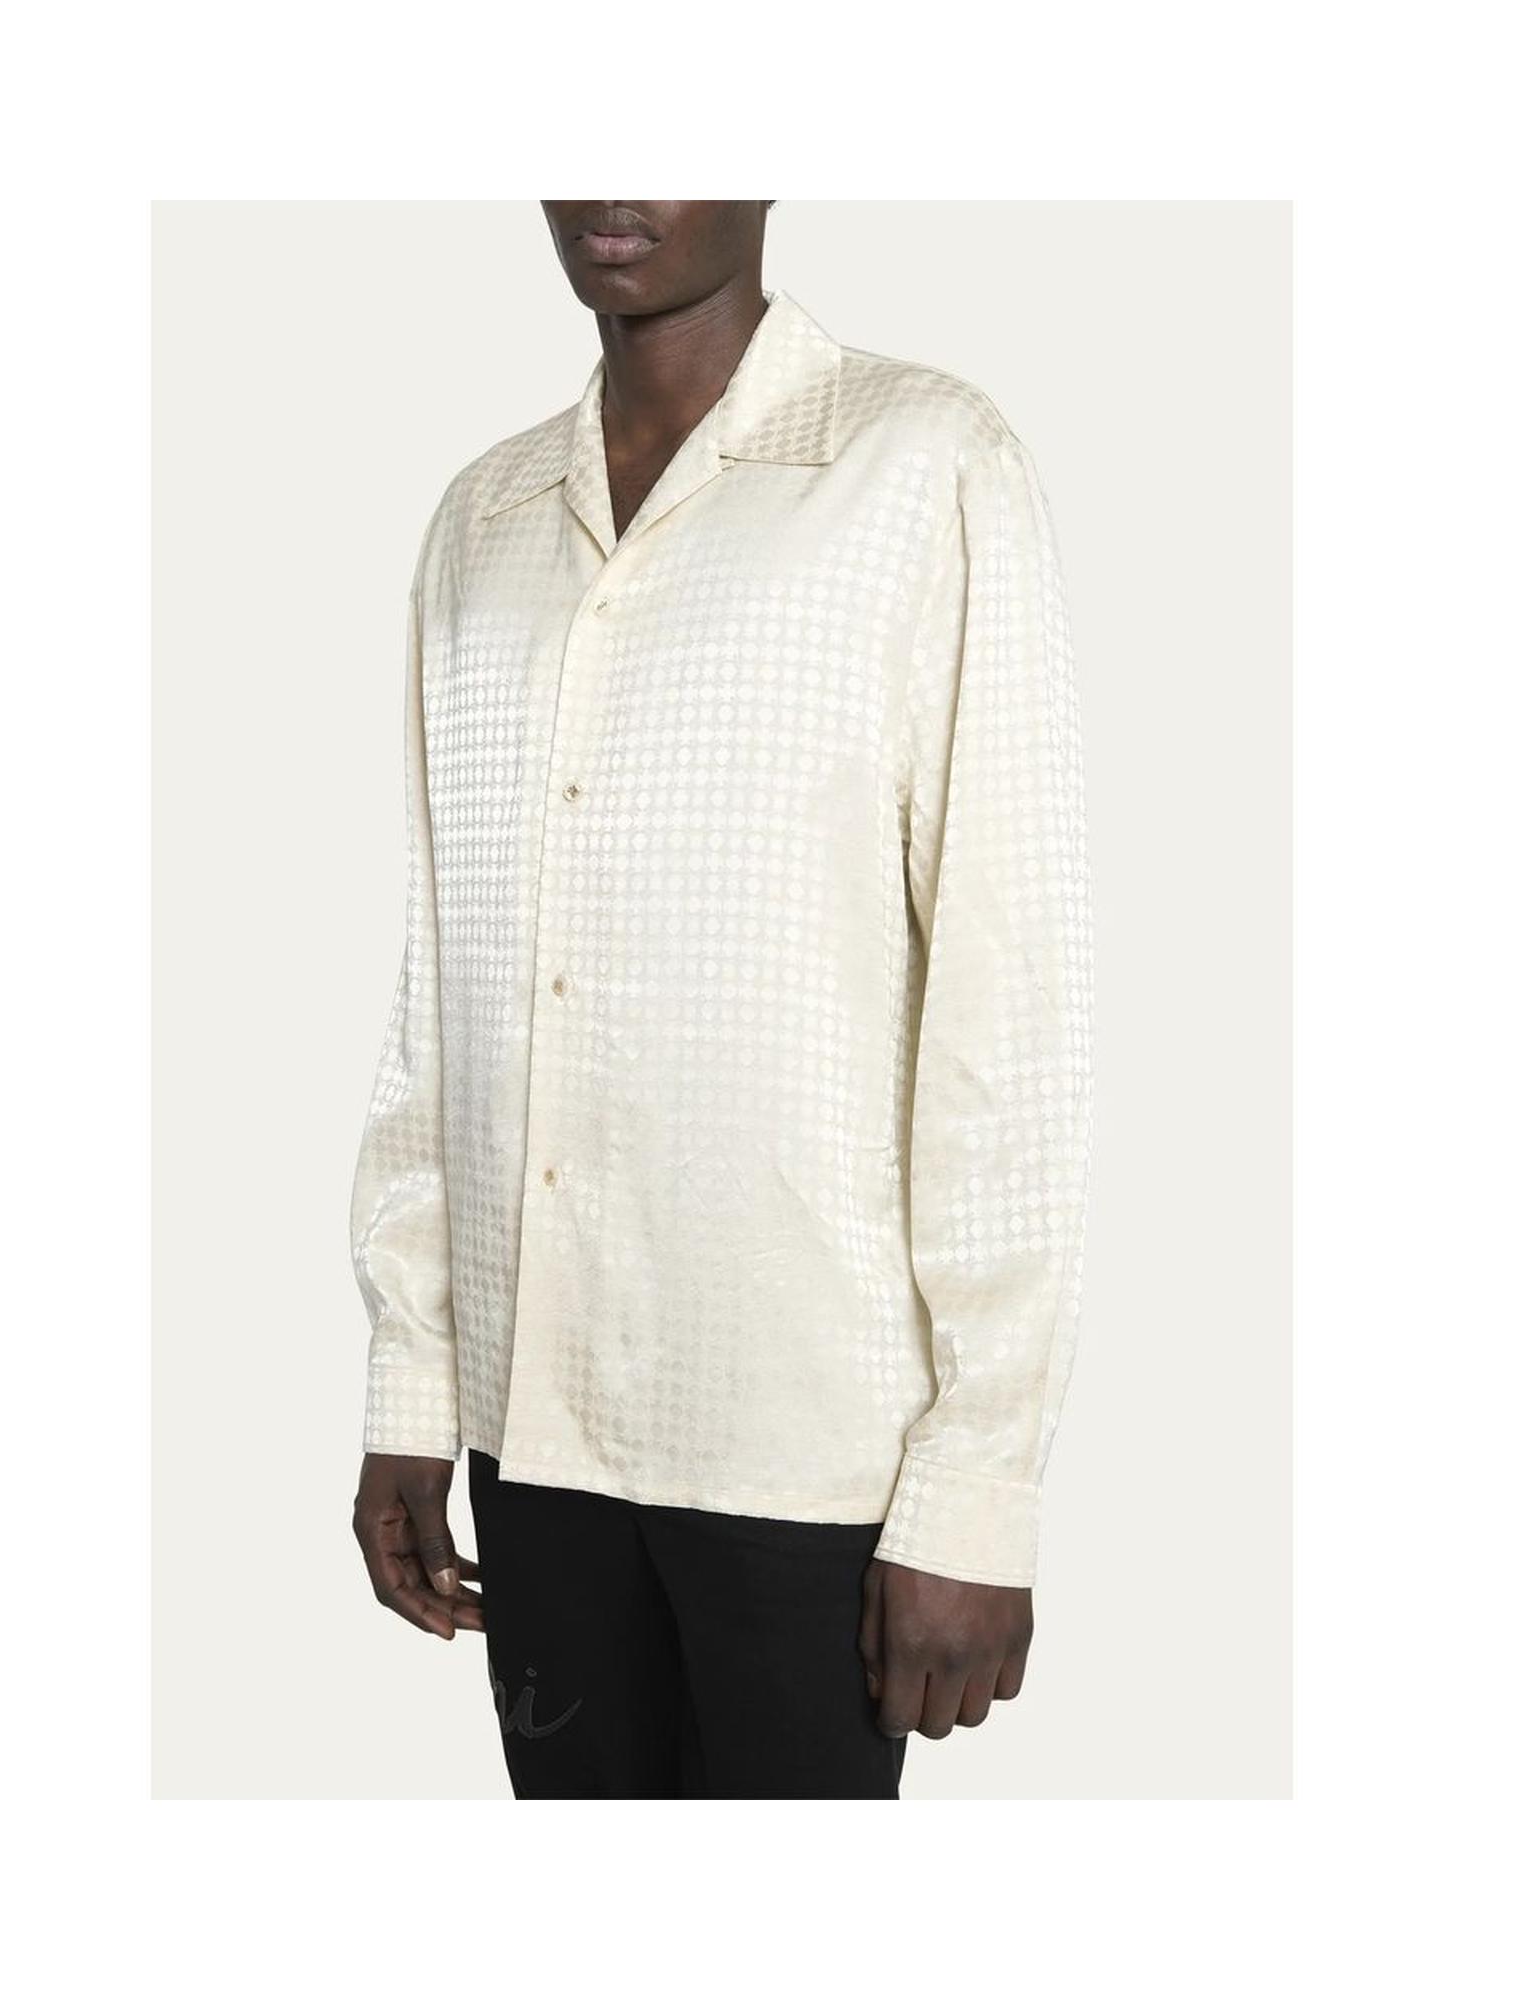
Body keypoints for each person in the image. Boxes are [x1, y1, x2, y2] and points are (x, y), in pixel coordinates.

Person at [349, 200, 1093, 1800]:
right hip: (530, 1426)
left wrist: (977, 1489)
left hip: (806, 1448)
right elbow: (444, 990)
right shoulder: (482, 519)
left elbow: (1007, 1009)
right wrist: (414, 1380)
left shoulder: (925, 464)